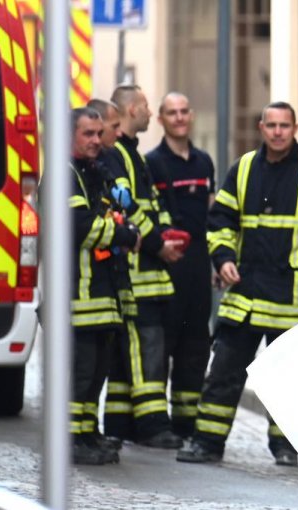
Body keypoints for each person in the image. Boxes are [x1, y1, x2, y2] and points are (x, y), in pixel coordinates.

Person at [177, 101, 298, 466]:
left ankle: (285, 447)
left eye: (285, 125)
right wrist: (223, 259)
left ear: (295, 127)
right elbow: (220, 221)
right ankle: (207, 442)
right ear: (261, 127)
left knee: (289, 379)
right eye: (272, 125)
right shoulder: (244, 168)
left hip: (292, 295)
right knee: (224, 372)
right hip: (245, 291)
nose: (278, 132)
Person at [104, 84, 186, 449]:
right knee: (147, 351)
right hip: (138, 272)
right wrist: (159, 244)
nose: (150, 113)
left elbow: (151, 205)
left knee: (129, 357)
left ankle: (120, 423)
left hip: (145, 273)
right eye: (147, 106)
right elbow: (128, 209)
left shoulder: (131, 155)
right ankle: (153, 425)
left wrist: (168, 233)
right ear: (132, 109)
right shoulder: (120, 155)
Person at [63, 107, 140, 464]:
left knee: (96, 374)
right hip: (77, 295)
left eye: (98, 134)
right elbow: (83, 227)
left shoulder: (94, 172)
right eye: (88, 134)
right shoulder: (65, 175)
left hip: (102, 294)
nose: (96, 141)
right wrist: (125, 234)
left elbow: (108, 216)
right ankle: (70, 439)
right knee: (80, 373)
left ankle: (87, 434)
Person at [145, 92, 216, 439]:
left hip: (199, 265)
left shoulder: (204, 162)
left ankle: (186, 420)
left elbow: (212, 214)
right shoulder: (153, 163)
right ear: (160, 119)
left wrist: (218, 260)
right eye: (171, 113)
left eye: (184, 111)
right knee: (166, 342)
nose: (179, 118)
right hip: (167, 265)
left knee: (196, 343)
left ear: (191, 116)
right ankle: (158, 422)